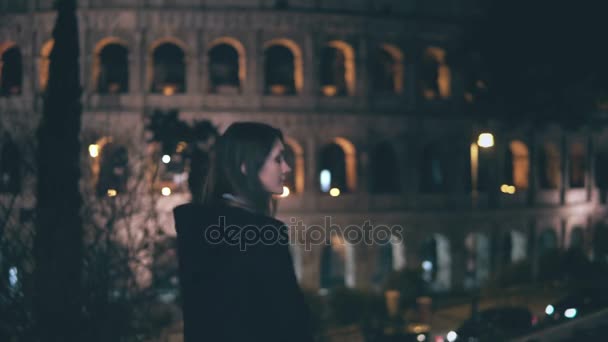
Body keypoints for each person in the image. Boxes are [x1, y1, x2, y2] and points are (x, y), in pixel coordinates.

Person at [173, 122, 314, 342]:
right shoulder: (261, 234)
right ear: (246, 167)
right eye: (278, 159)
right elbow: (289, 321)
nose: (286, 168)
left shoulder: (197, 228)